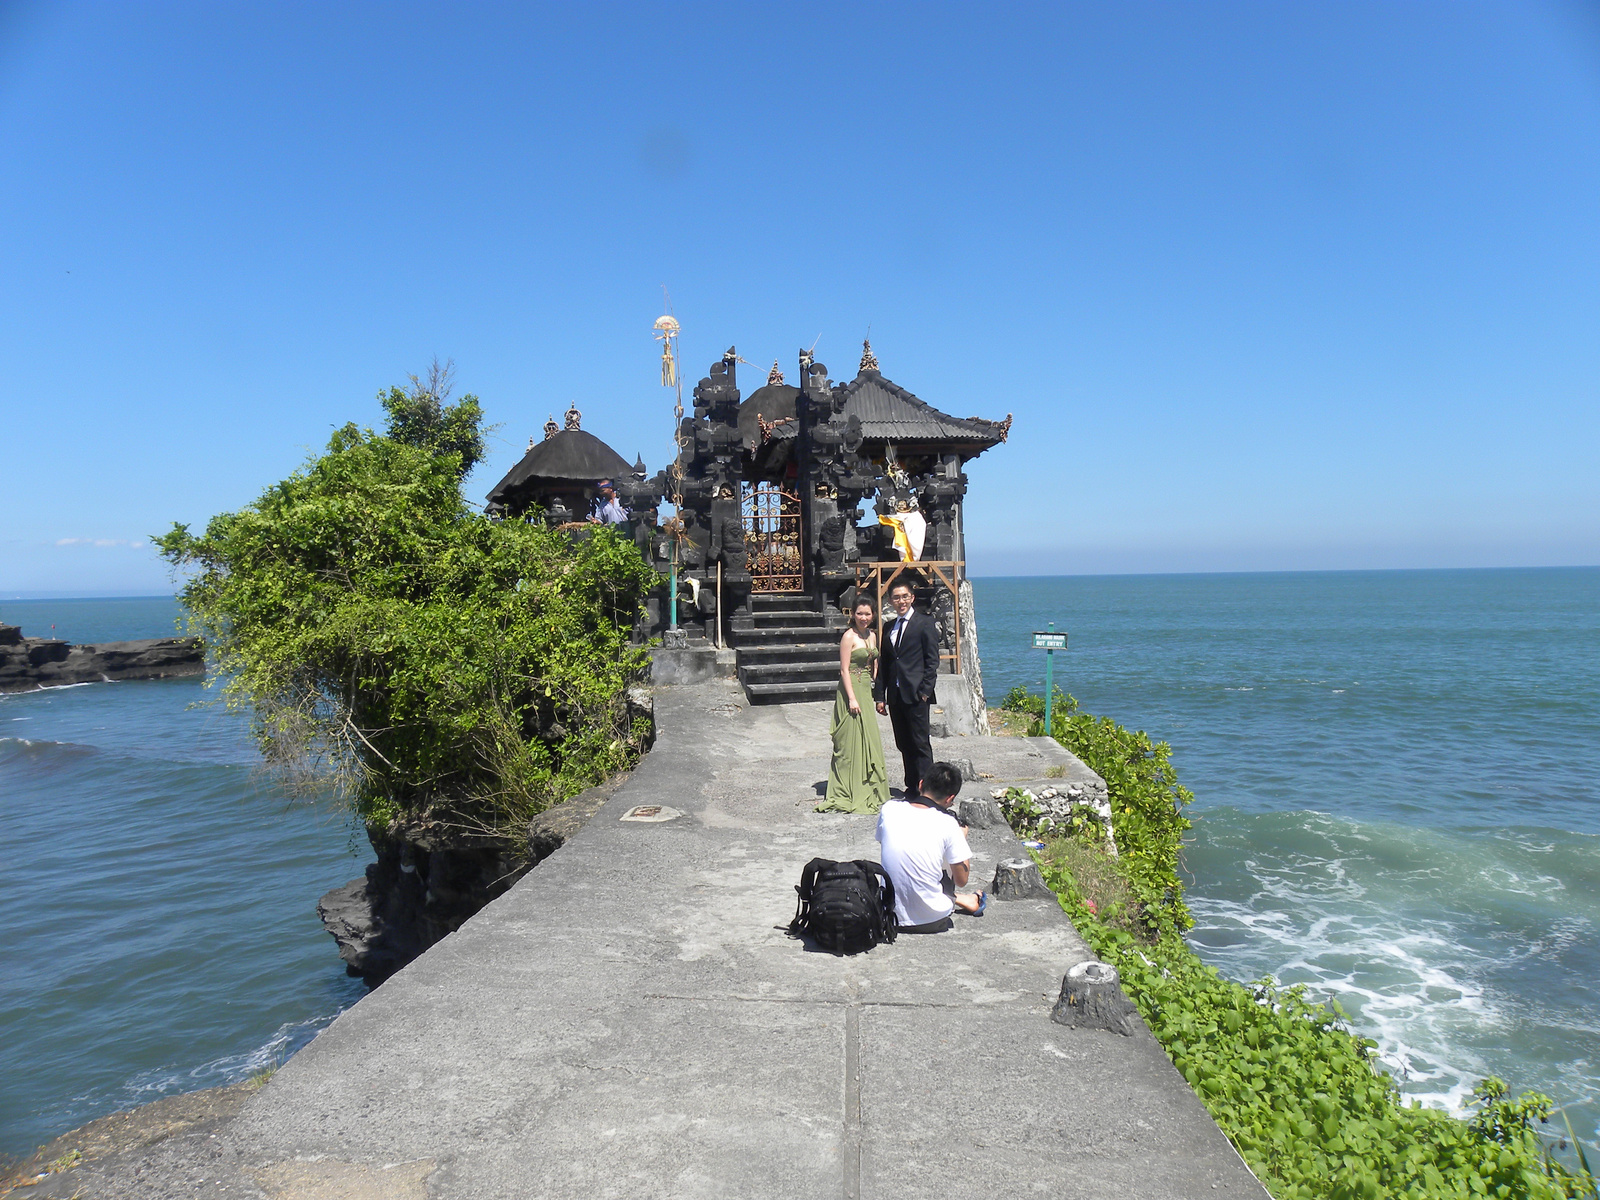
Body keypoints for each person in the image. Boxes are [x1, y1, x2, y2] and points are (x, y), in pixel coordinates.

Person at [875, 761, 985, 934]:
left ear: (921, 784)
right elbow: (961, 880)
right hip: (932, 920)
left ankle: (962, 900)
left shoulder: (889, 808)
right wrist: (960, 838)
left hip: (889, 914)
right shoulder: (949, 824)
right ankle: (959, 900)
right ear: (950, 798)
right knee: (946, 856)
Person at [817, 597, 890, 814]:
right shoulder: (848, 636)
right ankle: (848, 787)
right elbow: (844, 670)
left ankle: (870, 786)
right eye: (860, 614)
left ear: (873, 615)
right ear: (853, 614)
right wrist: (851, 698)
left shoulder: (873, 635)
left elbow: (873, 660)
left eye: (868, 614)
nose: (864, 618)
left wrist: (875, 684)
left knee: (869, 737)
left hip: (866, 689)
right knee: (850, 740)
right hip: (851, 690)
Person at [872, 580, 939, 796]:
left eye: (904, 597)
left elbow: (932, 660)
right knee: (903, 742)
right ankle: (912, 785)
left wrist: (925, 692)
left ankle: (927, 790)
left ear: (912, 598)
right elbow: (885, 663)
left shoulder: (924, 623)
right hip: (896, 694)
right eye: (896, 597)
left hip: (917, 693)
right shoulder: (889, 627)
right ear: (890, 601)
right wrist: (880, 696)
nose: (900, 601)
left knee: (920, 743)